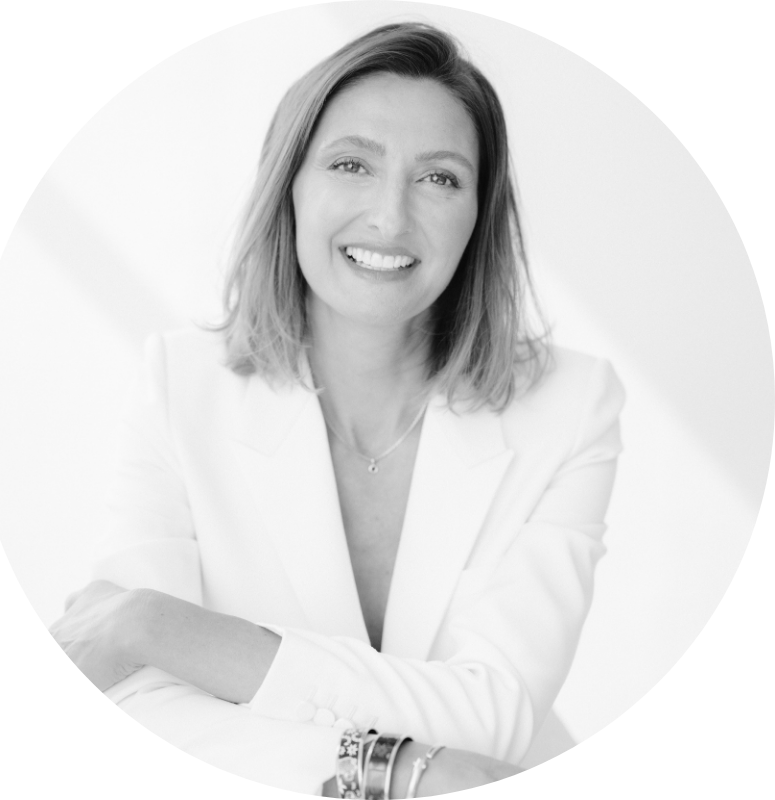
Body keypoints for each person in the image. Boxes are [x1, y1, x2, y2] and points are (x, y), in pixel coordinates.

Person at [50, 21, 624, 797]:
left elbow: (494, 717)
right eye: (352, 164)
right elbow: (133, 701)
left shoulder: (571, 406)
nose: (390, 218)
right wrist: (398, 770)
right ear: (289, 184)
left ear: (478, 215)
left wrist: (157, 625)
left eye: (440, 178)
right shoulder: (181, 384)